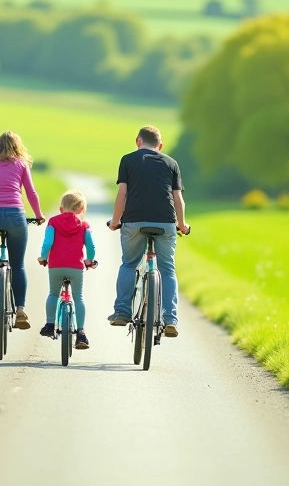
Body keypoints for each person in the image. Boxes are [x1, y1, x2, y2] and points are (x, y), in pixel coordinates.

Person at [107, 125, 190, 337]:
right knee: (167, 269)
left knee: (129, 263)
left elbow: (122, 194)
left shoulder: (128, 160)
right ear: (160, 146)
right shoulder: (172, 163)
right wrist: (182, 224)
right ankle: (170, 319)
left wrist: (115, 221)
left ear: (138, 141)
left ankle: (122, 312)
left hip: (134, 221)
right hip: (166, 222)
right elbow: (177, 198)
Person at [0, 131, 45, 330]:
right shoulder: (21, 164)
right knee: (18, 263)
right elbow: (30, 192)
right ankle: (20, 309)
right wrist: (38, 215)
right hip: (14, 215)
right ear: (17, 147)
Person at [37, 190, 96, 350]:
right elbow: (90, 245)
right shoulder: (84, 225)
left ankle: (50, 324)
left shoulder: (53, 222)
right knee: (79, 298)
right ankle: (81, 333)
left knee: (53, 294)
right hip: (76, 267)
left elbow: (48, 243)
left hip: (56, 266)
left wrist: (43, 257)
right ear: (82, 210)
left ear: (61, 208)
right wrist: (89, 260)